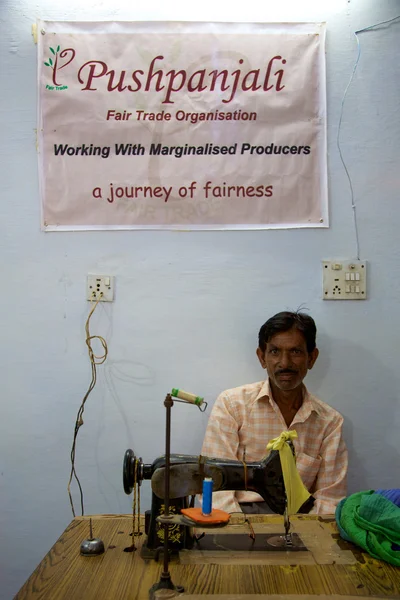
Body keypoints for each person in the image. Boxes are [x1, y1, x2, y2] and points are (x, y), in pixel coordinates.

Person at [201, 311, 348, 514]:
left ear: (311, 358)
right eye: (275, 352)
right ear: (262, 357)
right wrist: (238, 533)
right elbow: (215, 486)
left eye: (295, 352)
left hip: (301, 523)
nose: (285, 363)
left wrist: (308, 537)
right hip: (241, 518)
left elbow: (329, 501)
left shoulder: (329, 423)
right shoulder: (232, 406)